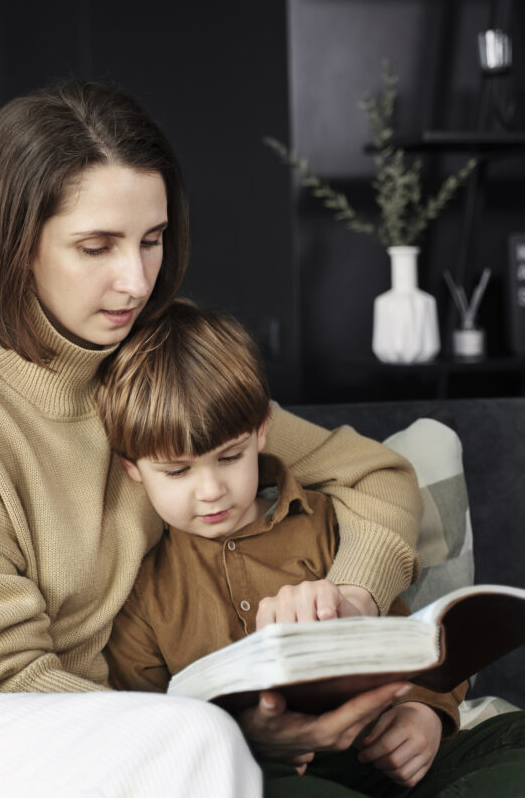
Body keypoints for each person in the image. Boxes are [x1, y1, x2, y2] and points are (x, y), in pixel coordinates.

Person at [0, 80, 422, 798]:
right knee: (200, 742)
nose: (137, 281)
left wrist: (354, 597)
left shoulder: (154, 366)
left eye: (152, 240)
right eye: (97, 247)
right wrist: (219, 730)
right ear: (18, 247)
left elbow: (376, 475)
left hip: (97, 715)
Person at [101, 300, 525, 797]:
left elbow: (414, 646)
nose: (211, 490)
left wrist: (424, 714)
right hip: (271, 771)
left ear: (262, 430)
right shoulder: (143, 590)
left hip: (382, 754)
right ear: (132, 469)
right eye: (177, 471)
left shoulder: (325, 522)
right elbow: (152, 732)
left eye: (230, 457)